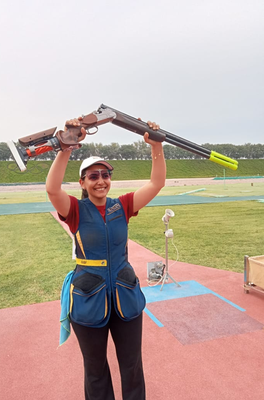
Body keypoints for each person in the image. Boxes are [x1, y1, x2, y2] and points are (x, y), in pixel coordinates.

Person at [46, 116, 166, 400]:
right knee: (96, 370)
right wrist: (66, 147)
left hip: (125, 295)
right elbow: (52, 189)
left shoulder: (122, 205)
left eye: (106, 175)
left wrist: (156, 146)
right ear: (83, 182)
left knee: (132, 366)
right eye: (94, 176)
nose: (101, 181)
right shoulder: (75, 209)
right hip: (89, 299)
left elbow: (156, 182)